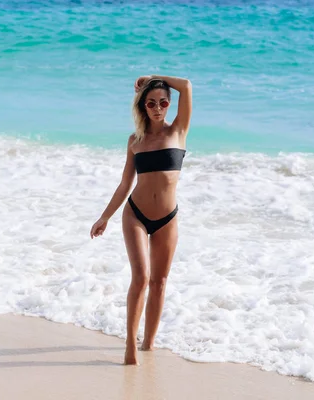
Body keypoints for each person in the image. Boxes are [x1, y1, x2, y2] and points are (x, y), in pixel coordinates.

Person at [90, 75, 192, 365]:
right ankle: (130, 346)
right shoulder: (135, 141)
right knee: (141, 278)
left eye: (162, 102)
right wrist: (105, 216)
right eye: (151, 103)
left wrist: (153, 77)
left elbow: (186, 85)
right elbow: (125, 184)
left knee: (159, 282)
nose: (157, 108)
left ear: (169, 104)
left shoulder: (179, 131)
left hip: (167, 219)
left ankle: (149, 343)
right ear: (143, 107)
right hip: (135, 213)